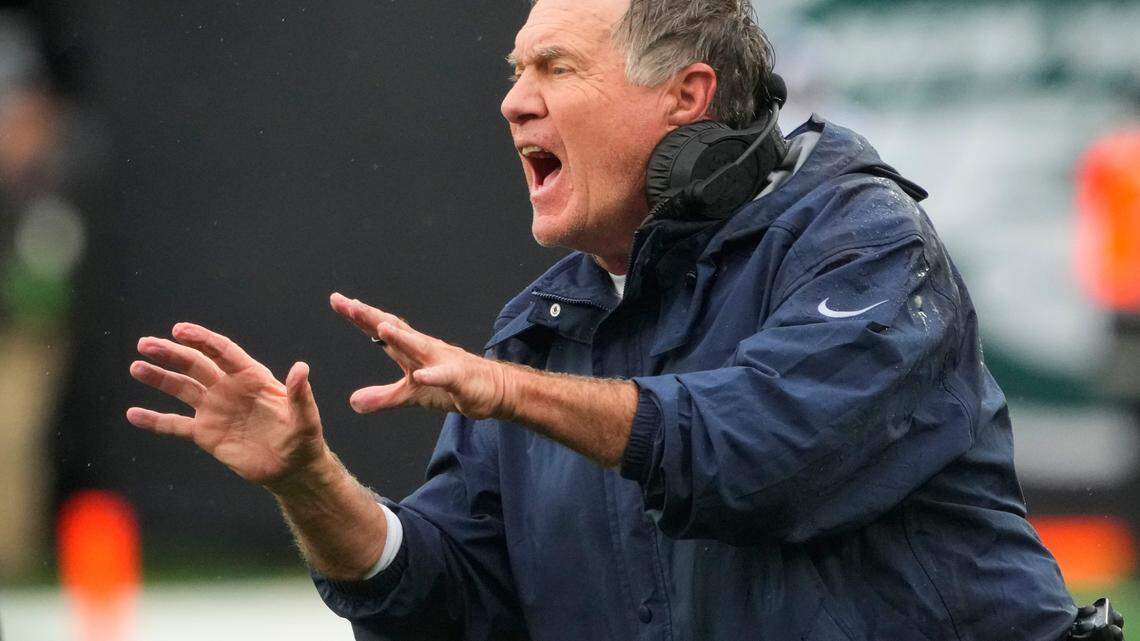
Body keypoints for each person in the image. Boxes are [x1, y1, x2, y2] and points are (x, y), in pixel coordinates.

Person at [127, 0, 1080, 639]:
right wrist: (311, 483)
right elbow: (450, 596)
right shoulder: (544, 328)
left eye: (554, 67)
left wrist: (513, 391)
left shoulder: (863, 241)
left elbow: (753, 452)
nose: (512, 100)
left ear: (687, 97)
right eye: (513, 69)